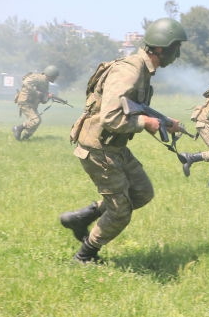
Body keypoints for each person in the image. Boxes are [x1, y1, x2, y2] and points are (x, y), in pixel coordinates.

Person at [59, 18, 187, 263]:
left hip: (114, 146)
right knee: (120, 212)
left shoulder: (142, 70)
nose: (178, 55)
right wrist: (145, 123)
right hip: (99, 149)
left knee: (142, 193)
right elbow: (110, 117)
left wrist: (162, 121)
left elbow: (132, 107)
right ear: (161, 48)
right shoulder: (130, 70)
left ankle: (82, 218)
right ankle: (85, 256)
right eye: (176, 47)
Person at [12, 65, 59, 141]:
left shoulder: (46, 83)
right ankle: (18, 128)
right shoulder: (38, 77)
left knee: (37, 121)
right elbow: (26, 82)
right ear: (50, 75)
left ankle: (25, 138)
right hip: (25, 101)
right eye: (55, 76)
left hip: (31, 104)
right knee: (35, 120)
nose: (55, 78)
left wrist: (47, 96)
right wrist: (37, 92)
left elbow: (43, 101)